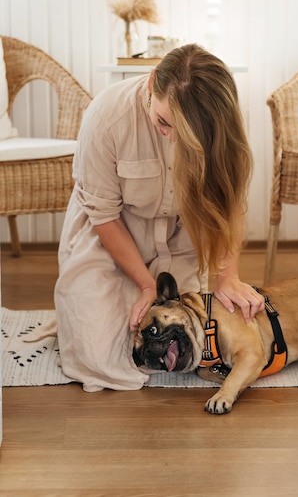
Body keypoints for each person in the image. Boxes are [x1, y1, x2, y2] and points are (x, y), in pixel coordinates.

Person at [54, 43, 265, 392]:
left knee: (191, 338)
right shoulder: (107, 116)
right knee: (98, 357)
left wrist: (228, 277)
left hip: (179, 237)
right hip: (110, 232)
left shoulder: (219, 124)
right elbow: (104, 216)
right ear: (152, 83)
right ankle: (77, 310)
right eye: (164, 122)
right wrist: (146, 285)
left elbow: (230, 202)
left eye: (182, 133)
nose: (170, 136)